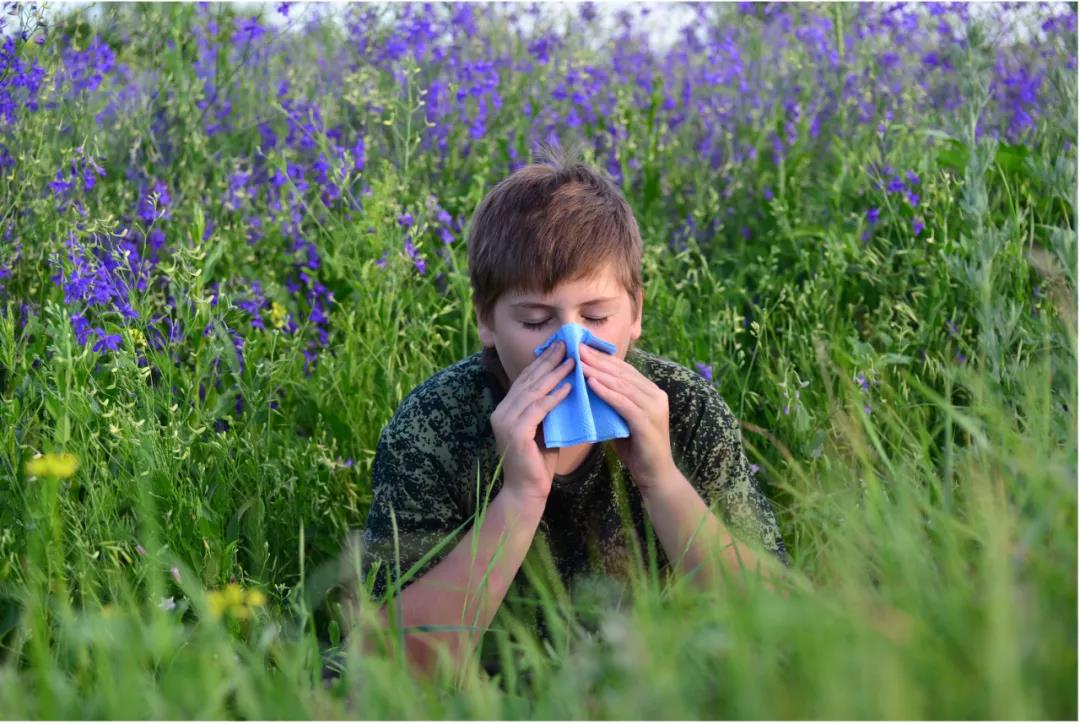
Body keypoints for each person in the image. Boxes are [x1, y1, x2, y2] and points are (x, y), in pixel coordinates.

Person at [347, 145, 789, 682]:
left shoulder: (687, 408)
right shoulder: (434, 423)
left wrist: (661, 479)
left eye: (597, 316)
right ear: (486, 322)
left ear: (636, 314)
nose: (572, 348)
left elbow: (779, 626)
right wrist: (519, 496)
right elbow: (387, 664)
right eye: (536, 322)